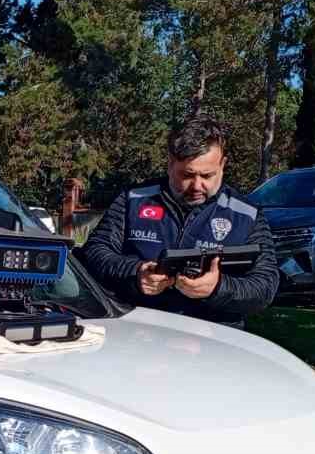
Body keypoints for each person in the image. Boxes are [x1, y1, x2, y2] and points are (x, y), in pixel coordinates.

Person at [79, 117, 279, 327]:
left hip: (214, 338)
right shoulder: (133, 200)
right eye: (187, 175)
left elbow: (265, 285)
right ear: (170, 164)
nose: (197, 185)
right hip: (137, 331)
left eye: (207, 175)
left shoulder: (247, 215)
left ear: (223, 165)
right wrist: (135, 273)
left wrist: (217, 288)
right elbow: (94, 253)